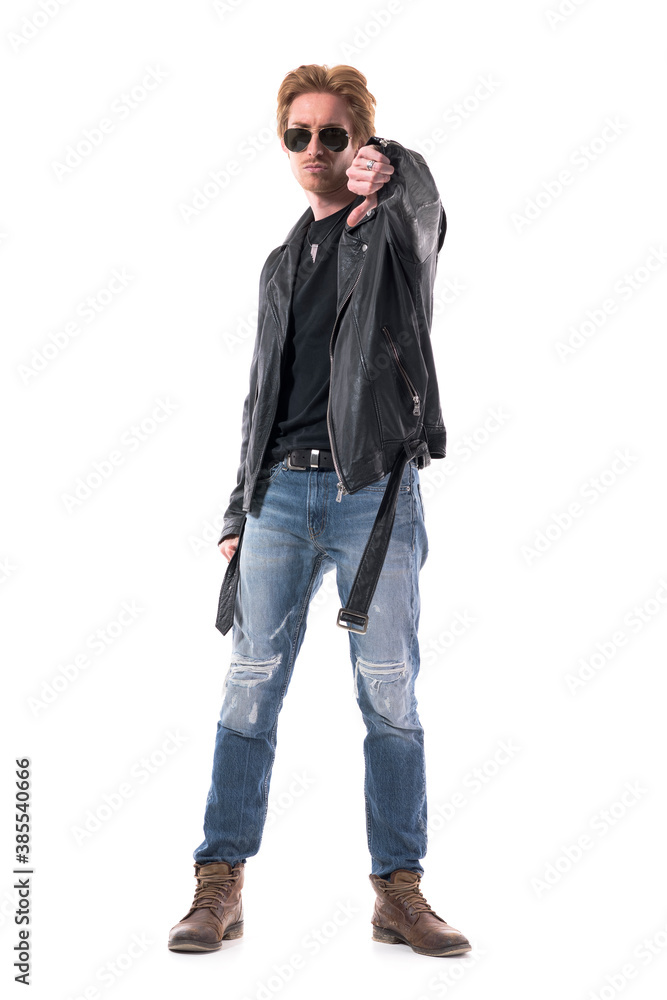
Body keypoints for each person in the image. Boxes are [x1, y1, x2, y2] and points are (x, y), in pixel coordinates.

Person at [168, 63, 471, 959]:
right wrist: (238, 508)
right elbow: (260, 393)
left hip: (371, 494)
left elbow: (426, 210)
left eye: (332, 135)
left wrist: (395, 166)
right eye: (296, 134)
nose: (313, 149)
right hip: (277, 494)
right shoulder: (280, 261)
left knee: (388, 689)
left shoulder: (392, 233)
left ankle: (398, 890)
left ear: (360, 142)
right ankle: (218, 883)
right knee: (250, 683)